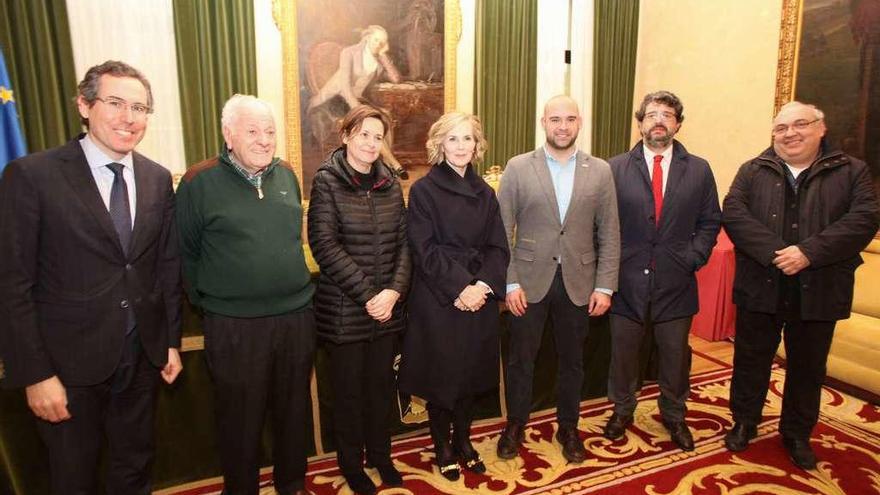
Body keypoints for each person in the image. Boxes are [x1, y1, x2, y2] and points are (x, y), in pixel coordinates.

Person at [0, 60, 182, 494]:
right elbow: (12, 283)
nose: (129, 118)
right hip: (66, 370)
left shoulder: (157, 179)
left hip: (142, 359)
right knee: (72, 478)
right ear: (84, 105)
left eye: (139, 108)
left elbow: (165, 267)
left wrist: (170, 340)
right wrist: (35, 374)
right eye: (115, 103)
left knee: (134, 470)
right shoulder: (32, 176)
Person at [722, 101, 879, 470]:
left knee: (808, 367)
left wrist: (808, 253)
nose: (790, 133)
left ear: (820, 128)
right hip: (761, 283)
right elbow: (734, 212)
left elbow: (863, 220)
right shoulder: (752, 170)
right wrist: (779, 253)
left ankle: (795, 433)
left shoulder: (851, 171)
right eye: (781, 128)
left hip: (820, 287)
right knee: (750, 360)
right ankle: (744, 421)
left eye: (799, 124)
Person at [176, 94, 315, 495]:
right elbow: (185, 254)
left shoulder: (286, 174)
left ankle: (292, 485)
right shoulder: (198, 182)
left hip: (295, 318)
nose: (264, 139)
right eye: (252, 130)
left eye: (269, 131)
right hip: (235, 327)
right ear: (228, 134)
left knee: (293, 412)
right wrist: (214, 304)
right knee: (240, 419)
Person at [496, 95, 620, 464]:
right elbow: (500, 232)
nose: (562, 126)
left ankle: (568, 427)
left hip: (580, 283)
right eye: (555, 119)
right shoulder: (519, 168)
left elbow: (610, 232)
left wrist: (604, 285)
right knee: (522, 359)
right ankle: (516, 423)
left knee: (573, 362)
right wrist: (510, 282)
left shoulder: (600, 170)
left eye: (569, 119)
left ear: (580, 122)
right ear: (543, 122)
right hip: (528, 283)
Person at [603, 91, 721, 451]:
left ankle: (674, 414)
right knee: (624, 353)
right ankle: (622, 410)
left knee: (674, 356)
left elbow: (710, 220)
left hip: (676, 280)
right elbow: (602, 224)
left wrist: (693, 256)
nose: (659, 120)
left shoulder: (699, 169)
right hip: (626, 279)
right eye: (651, 114)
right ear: (639, 124)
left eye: (667, 115)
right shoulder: (614, 167)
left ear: (678, 124)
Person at [398, 112, 509, 481]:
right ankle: (442, 446)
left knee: (471, 377)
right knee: (442, 379)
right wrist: (461, 287)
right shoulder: (424, 190)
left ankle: (463, 440)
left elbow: (498, 248)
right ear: (439, 145)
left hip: (479, 297)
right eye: (453, 139)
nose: (461, 147)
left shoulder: (486, 192)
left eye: (467, 139)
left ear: (478, 146)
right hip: (440, 299)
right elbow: (424, 249)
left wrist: (481, 288)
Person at [307, 104, 410, 495]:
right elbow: (324, 244)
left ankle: (381, 456)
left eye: (377, 137)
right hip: (345, 313)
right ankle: (351, 465)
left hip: (387, 312)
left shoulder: (390, 182)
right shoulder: (327, 181)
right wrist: (371, 296)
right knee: (348, 396)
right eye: (363, 134)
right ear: (347, 135)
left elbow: (405, 244)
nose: (370, 143)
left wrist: (394, 292)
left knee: (381, 391)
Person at [308, 25, 402, 112]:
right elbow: (345, 87)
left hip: (354, 103)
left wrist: (383, 54)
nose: (378, 44)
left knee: (384, 117)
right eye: (376, 40)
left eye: (381, 42)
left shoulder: (377, 64)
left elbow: (396, 79)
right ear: (368, 38)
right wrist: (358, 108)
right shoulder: (349, 53)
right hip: (333, 101)